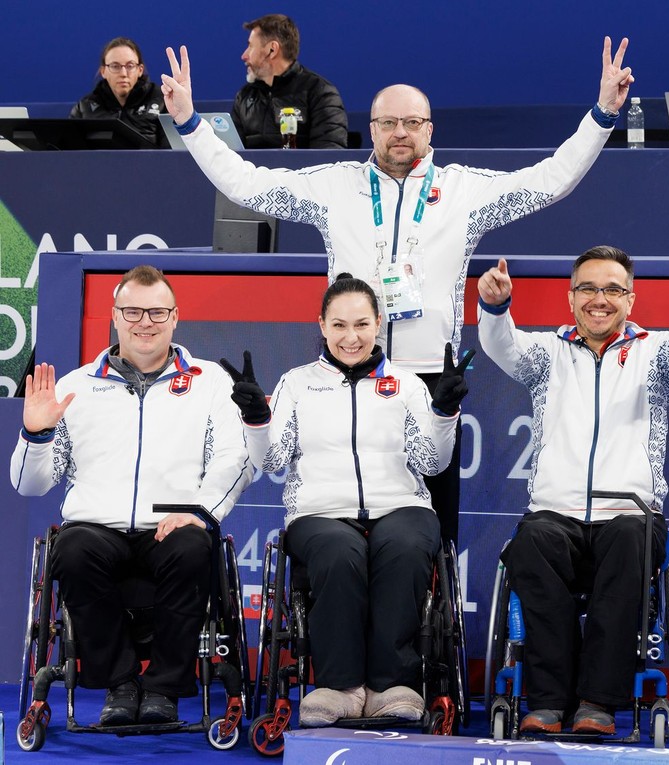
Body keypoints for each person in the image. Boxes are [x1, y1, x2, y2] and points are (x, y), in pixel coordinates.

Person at [159, 38, 633, 544]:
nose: (400, 133)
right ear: (374, 129)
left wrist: (603, 113)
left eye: (412, 123)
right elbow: (245, 185)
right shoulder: (333, 188)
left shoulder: (465, 193)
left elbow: (551, 181)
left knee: (429, 536)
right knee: (341, 516)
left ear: (430, 130)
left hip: (433, 381)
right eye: (388, 123)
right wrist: (191, 123)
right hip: (349, 374)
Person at [477, 246, 669, 735]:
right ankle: (549, 702)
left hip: (630, 512)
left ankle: (597, 702)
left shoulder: (653, 355)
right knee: (531, 541)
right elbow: (503, 347)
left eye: (613, 289)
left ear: (631, 300)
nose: (601, 299)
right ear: (571, 297)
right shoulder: (547, 355)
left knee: (630, 540)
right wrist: (495, 308)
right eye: (589, 288)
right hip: (556, 512)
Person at [221, 274, 469, 726]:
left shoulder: (407, 383)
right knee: (339, 551)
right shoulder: (297, 384)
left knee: (406, 546)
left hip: (401, 505)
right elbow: (273, 459)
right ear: (321, 325)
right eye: (338, 325)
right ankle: (340, 686)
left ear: (378, 323)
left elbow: (432, 464)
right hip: (320, 511)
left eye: (360, 324)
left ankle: (393, 683)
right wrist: (257, 418)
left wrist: (444, 413)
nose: (350, 337)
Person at [9, 265, 250, 726]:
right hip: (97, 527)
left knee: (193, 547)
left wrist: (200, 512)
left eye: (157, 312)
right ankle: (118, 684)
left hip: (174, 524)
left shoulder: (210, 382)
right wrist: (35, 435)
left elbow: (234, 459)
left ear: (175, 317)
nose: (145, 322)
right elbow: (29, 484)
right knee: (73, 550)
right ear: (115, 316)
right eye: (133, 311)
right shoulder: (76, 387)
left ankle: (163, 689)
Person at [232, 14, 348, 149]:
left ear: (272, 50)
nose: (244, 56)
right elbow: (231, 159)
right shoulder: (244, 97)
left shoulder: (321, 93)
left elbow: (330, 156)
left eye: (251, 46)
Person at [70, 37, 167, 148]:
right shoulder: (84, 107)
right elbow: (70, 157)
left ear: (140, 70)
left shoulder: (162, 101)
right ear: (103, 71)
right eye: (115, 66)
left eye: (130, 66)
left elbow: (174, 156)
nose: (123, 73)